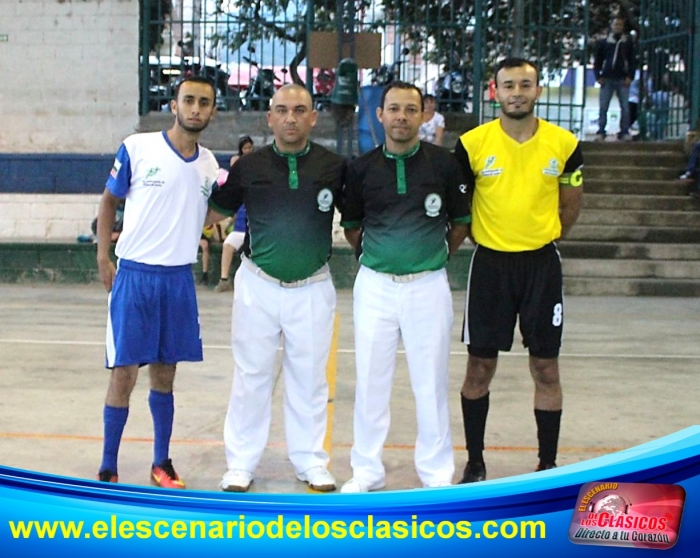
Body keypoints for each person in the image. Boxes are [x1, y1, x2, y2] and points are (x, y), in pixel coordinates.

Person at [207, 84, 346, 493]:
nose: (291, 118)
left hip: (314, 286)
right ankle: (241, 463)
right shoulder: (249, 168)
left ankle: (311, 461)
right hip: (258, 286)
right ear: (269, 118)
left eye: (299, 110)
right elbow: (215, 209)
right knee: (252, 375)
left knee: (310, 378)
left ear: (313, 117)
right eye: (282, 110)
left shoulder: (334, 166)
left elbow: (358, 215)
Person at [454, 58, 583, 483]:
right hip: (490, 265)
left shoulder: (564, 144)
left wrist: (540, 237)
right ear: (495, 91)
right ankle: (475, 462)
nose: (517, 92)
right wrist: (491, 237)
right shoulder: (472, 144)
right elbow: (462, 210)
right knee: (479, 368)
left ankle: (547, 464)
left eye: (525, 84)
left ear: (537, 91)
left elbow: (570, 207)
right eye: (508, 85)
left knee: (546, 367)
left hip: (541, 266)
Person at [340, 82, 470, 493]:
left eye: (410, 110)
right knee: (370, 381)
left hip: (428, 286)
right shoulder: (360, 168)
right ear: (379, 115)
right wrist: (384, 258)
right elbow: (353, 229)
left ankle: (436, 474)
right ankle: (366, 471)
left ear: (423, 116)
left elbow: (461, 223)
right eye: (393, 109)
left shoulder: (445, 164)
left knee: (430, 383)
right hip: (375, 286)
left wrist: (428, 258)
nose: (401, 117)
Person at [95, 75, 219, 488]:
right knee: (124, 373)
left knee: (165, 375)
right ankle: (108, 466)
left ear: (212, 110)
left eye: (204, 102)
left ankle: (161, 462)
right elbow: (109, 200)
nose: (196, 108)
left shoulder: (210, 165)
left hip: (177, 281)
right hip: (135, 276)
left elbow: (205, 211)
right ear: (174, 104)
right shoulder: (137, 147)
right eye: (189, 100)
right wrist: (102, 254)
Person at [214, 136, 254, 293]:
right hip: (239, 230)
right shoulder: (235, 192)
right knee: (227, 244)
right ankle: (224, 279)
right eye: (245, 148)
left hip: (254, 232)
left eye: (250, 148)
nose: (248, 151)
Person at [593, 15, 636, 141]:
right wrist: (598, 76)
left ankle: (624, 131)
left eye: (620, 25)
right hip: (607, 78)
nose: (617, 27)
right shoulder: (604, 42)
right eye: (615, 24)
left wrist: (630, 76)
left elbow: (632, 60)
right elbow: (597, 61)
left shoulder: (627, 43)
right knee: (603, 106)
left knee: (625, 107)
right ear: (611, 26)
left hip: (622, 79)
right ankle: (601, 131)